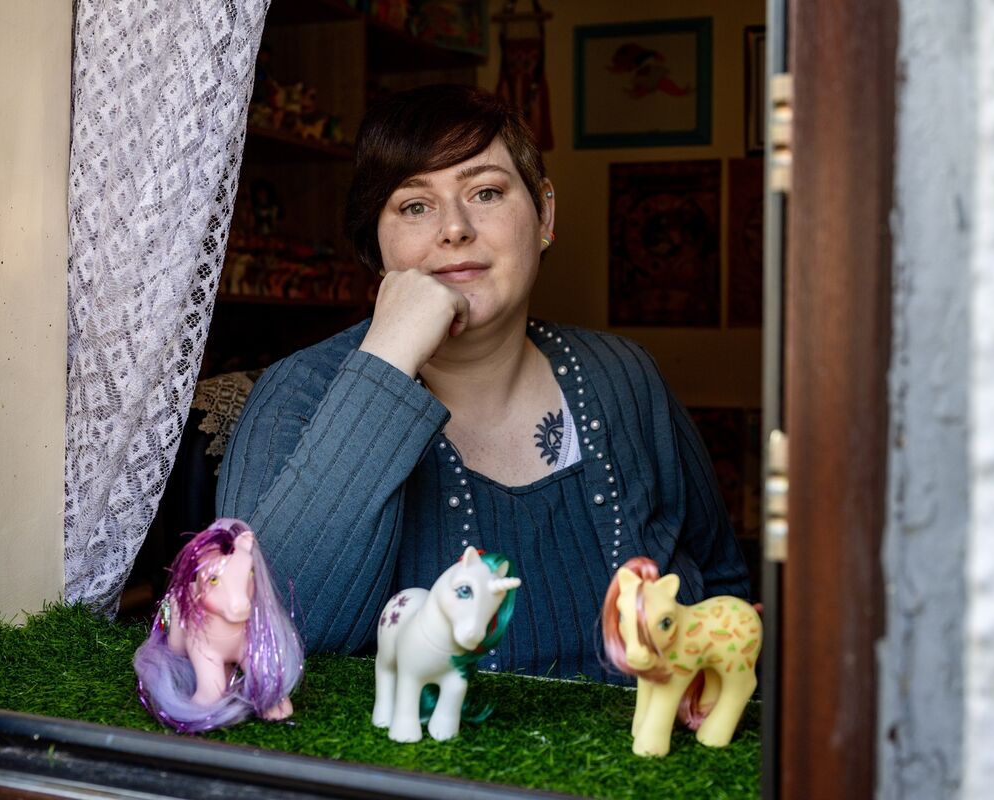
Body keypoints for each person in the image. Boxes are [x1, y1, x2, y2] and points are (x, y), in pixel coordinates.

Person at [216, 84, 749, 683]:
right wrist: (388, 358)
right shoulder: (297, 397)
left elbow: (723, 584)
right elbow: (267, 637)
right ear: (375, 243)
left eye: (486, 192)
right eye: (414, 206)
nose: (454, 229)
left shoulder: (627, 377)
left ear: (544, 213)